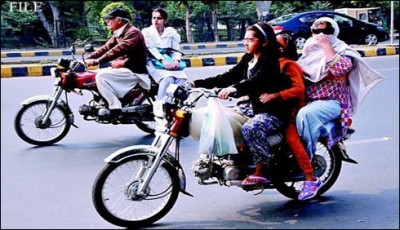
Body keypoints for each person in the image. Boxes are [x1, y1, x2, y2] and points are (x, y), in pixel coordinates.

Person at [191, 22, 292, 186]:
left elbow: (257, 81)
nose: (245, 43)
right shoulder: (249, 58)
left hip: (274, 112)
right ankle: (236, 158)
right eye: (244, 40)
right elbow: (229, 76)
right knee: (221, 118)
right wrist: (197, 84)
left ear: (264, 42)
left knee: (251, 128)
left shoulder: (270, 60)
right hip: (253, 108)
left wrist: (234, 89)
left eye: (250, 40)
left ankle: (262, 170)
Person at [296, 17, 385, 200]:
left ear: (333, 33)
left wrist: (327, 46)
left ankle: (307, 169)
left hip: (333, 103)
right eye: (316, 31)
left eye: (325, 32)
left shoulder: (343, 51)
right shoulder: (308, 52)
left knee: (306, 115)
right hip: (309, 100)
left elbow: (339, 69)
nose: (320, 36)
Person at [259, 33, 321, 200]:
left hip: (289, 110)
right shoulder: (265, 63)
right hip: (267, 109)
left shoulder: (289, 65)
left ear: (281, 49)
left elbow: (299, 89)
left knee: (292, 139)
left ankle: (310, 178)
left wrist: (276, 95)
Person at [86, 7, 151, 120]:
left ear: (119, 20)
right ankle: (103, 102)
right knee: (93, 74)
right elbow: (106, 48)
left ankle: (115, 108)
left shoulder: (133, 32)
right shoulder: (118, 33)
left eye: (110, 19)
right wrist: (88, 59)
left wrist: (97, 61)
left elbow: (118, 49)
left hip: (134, 71)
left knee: (100, 76)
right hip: (123, 69)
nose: (107, 22)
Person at [142, 7, 187, 99]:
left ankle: (171, 103)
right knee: (168, 79)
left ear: (165, 21)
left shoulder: (171, 32)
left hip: (168, 61)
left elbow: (176, 49)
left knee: (182, 79)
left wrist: (176, 61)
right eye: (154, 18)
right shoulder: (147, 32)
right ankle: (161, 104)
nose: (156, 21)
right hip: (152, 62)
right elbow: (151, 49)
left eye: (159, 18)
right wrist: (163, 61)